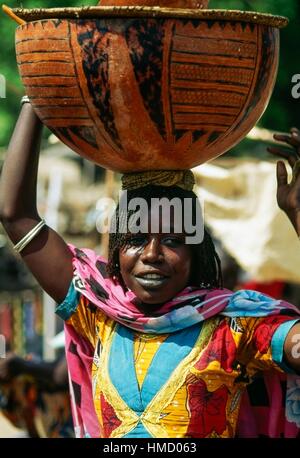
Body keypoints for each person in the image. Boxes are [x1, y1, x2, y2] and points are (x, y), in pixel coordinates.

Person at [0, 101, 300, 438]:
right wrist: (37, 97)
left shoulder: (235, 327)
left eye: (173, 240)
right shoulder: (97, 313)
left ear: (196, 252)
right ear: (116, 250)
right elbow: (16, 217)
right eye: (137, 239)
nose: (153, 253)